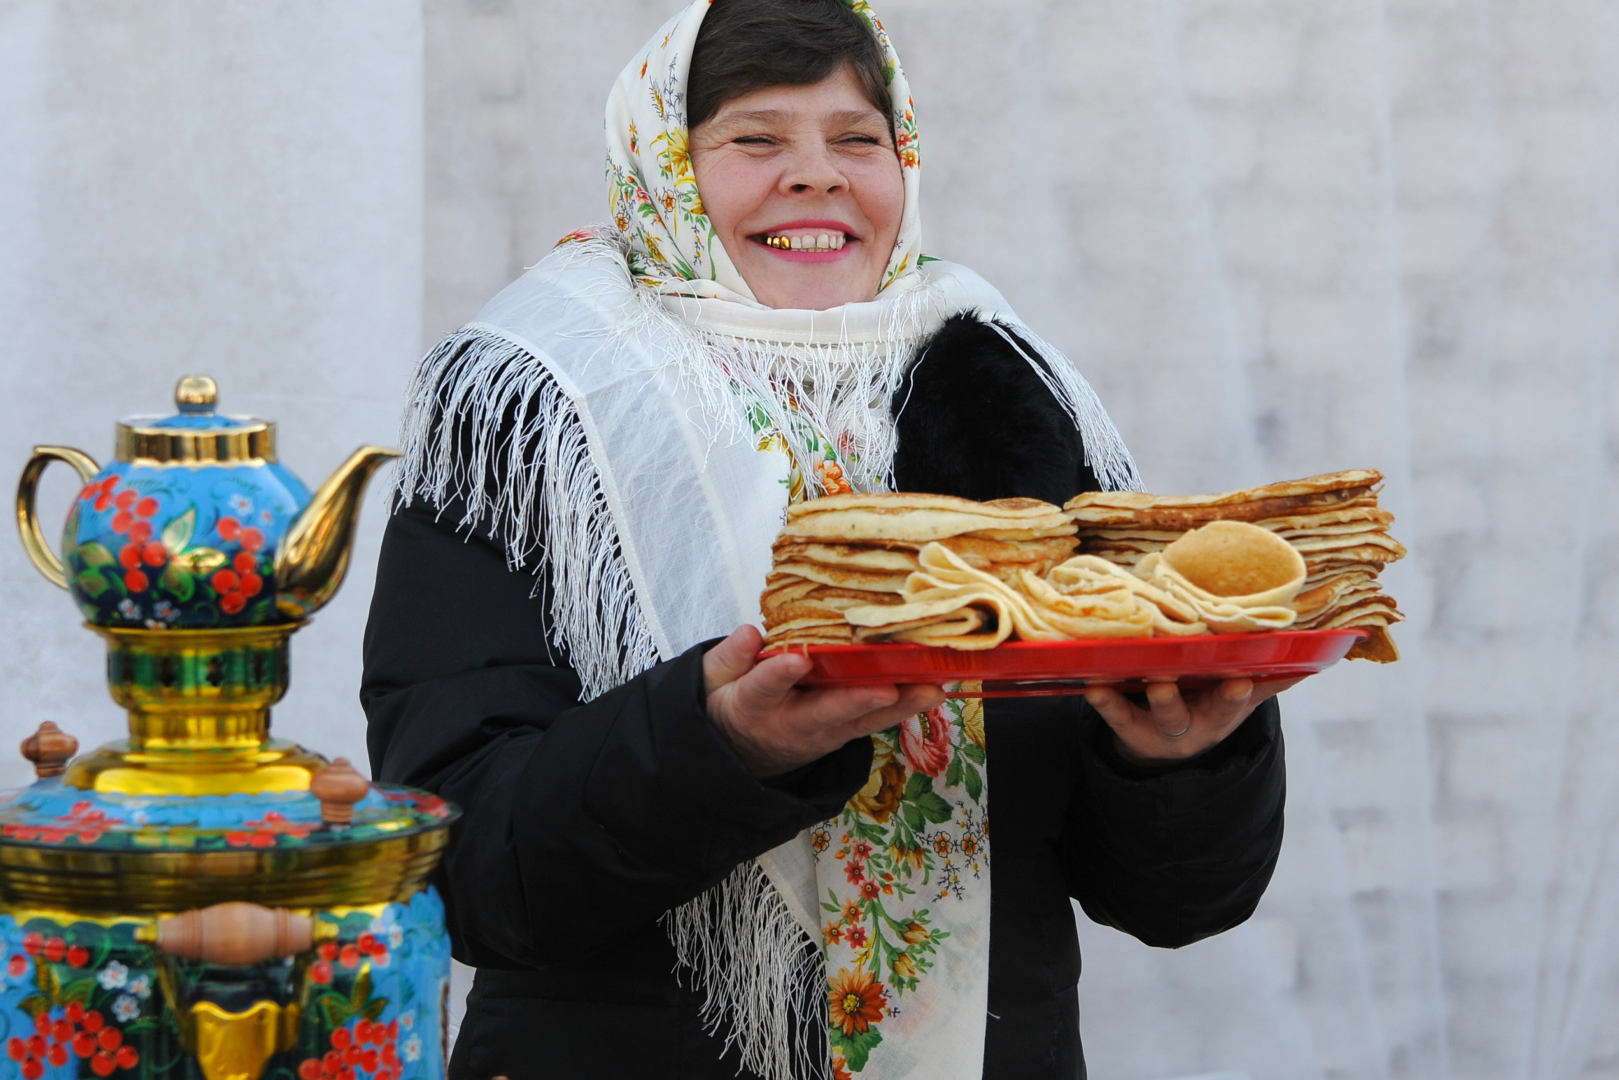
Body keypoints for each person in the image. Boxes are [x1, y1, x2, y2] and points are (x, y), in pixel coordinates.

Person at [362, 1, 1290, 1077]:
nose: (817, 174)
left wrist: (1178, 762)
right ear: (660, 165)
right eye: (756, 139)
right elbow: (464, 870)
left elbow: (1177, 903)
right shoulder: (535, 414)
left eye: (857, 138)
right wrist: (724, 750)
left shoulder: (1007, 394)